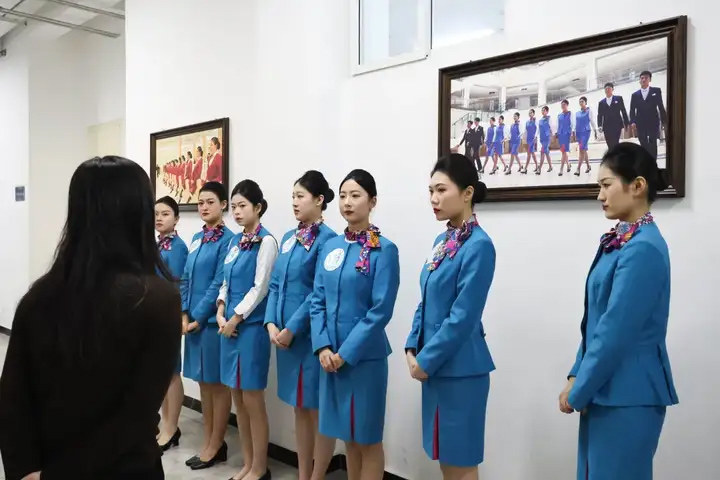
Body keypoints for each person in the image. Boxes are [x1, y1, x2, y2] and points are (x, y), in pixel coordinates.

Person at [0, 156, 181, 480]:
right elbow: (136, 414)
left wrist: (27, 472)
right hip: (125, 468)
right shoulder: (157, 300)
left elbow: (13, 401)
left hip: (48, 461)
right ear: (139, 213)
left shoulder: (39, 297)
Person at [559, 142, 678, 480]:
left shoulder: (643, 248)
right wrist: (576, 374)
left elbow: (615, 332)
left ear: (637, 186)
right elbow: (595, 322)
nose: (600, 195)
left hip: (629, 394)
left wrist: (580, 388)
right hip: (605, 389)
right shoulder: (620, 241)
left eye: (606, 185)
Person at [406, 153, 496, 480]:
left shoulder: (479, 246)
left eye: (442, 190)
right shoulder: (442, 241)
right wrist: (411, 347)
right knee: (446, 458)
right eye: (431, 191)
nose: (434, 198)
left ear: (467, 192)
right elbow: (426, 299)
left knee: (461, 462)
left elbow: (463, 317)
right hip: (434, 366)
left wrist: (425, 361)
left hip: (461, 371)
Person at [310, 169, 400, 480]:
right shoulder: (331, 246)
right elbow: (317, 299)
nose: (347, 202)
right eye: (343, 196)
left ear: (372, 201)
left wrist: (345, 353)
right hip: (330, 358)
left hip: (364, 360)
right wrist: (322, 345)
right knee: (347, 436)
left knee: (367, 439)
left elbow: (381, 310)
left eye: (356, 195)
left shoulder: (384, 249)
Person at [265, 170, 338, 480]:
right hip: (283, 338)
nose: (294, 202)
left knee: (317, 410)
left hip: (309, 338)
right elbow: (275, 284)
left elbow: (317, 293)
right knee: (299, 408)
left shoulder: (329, 240)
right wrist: (271, 322)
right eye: (292, 196)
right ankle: (303, 473)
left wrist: (292, 328)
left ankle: (317, 475)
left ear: (319, 200)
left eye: (300, 196)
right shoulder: (288, 238)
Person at [216, 180, 278, 480]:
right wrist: (220, 310)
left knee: (253, 401)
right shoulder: (235, 241)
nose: (237, 212)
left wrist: (235, 318)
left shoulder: (267, 242)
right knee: (237, 400)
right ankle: (248, 462)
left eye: (243, 206)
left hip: (250, 330)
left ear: (258, 207)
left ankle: (260, 467)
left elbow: (261, 287)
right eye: (234, 206)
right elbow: (226, 281)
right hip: (228, 328)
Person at [180, 181, 234, 471]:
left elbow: (218, 283)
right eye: (200, 202)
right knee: (203, 384)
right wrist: (184, 313)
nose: (204, 207)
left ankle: (216, 443)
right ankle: (210, 440)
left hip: (211, 324)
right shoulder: (196, 238)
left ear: (223, 205)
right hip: (192, 323)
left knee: (216, 385)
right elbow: (186, 277)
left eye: (210, 202)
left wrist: (198, 317)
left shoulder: (229, 241)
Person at [155, 196, 189, 451]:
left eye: (165, 214)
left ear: (176, 218)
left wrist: (178, 316)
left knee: (172, 371)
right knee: (162, 372)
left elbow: (177, 285)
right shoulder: (156, 245)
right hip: (153, 314)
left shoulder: (177, 248)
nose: (159, 218)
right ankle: (165, 424)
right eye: (156, 214)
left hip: (168, 314)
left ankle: (171, 427)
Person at [629, 70, 668, 159]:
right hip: (640, 123)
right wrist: (633, 122)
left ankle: (653, 161)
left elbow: (660, 106)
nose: (643, 80)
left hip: (653, 122)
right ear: (639, 80)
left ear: (650, 80)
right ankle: (646, 160)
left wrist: (664, 121)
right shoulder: (635, 95)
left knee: (652, 142)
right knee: (643, 143)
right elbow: (632, 110)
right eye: (642, 78)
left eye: (646, 78)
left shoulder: (656, 91)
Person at [597, 82, 629, 149]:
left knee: (615, 142)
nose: (607, 90)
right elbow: (599, 115)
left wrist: (626, 123)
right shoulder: (601, 103)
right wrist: (599, 125)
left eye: (609, 88)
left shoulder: (618, 99)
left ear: (612, 89)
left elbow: (623, 111)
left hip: (617, 125)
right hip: (606, 126)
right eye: (606, 89)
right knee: (609, 144)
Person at [574, 96, 598, 176]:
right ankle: (588, 166)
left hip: (586, 132)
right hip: (579, 133)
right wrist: (574, 132)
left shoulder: (589, 111)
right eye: (580, 101)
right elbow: (576, 123)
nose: (581, 103)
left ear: (585, 102)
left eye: (582, 101)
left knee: (581, 150)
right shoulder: (577, 113)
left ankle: (578, 169)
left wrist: (595, 130)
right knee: (583, 150)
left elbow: (592, 121)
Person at [556, 99, 574, 176]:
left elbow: (572, 124)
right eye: (562, 105)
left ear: (567, 105)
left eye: (564, 104)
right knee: (563, 151)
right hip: (560, 135)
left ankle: (561, 169)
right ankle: (568, 164)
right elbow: (558, 125)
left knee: (564, 151)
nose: (563, 106)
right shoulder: (559, 115)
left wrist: (572, 133)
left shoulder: (570, 114)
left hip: (567, 134)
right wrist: (556, 133)